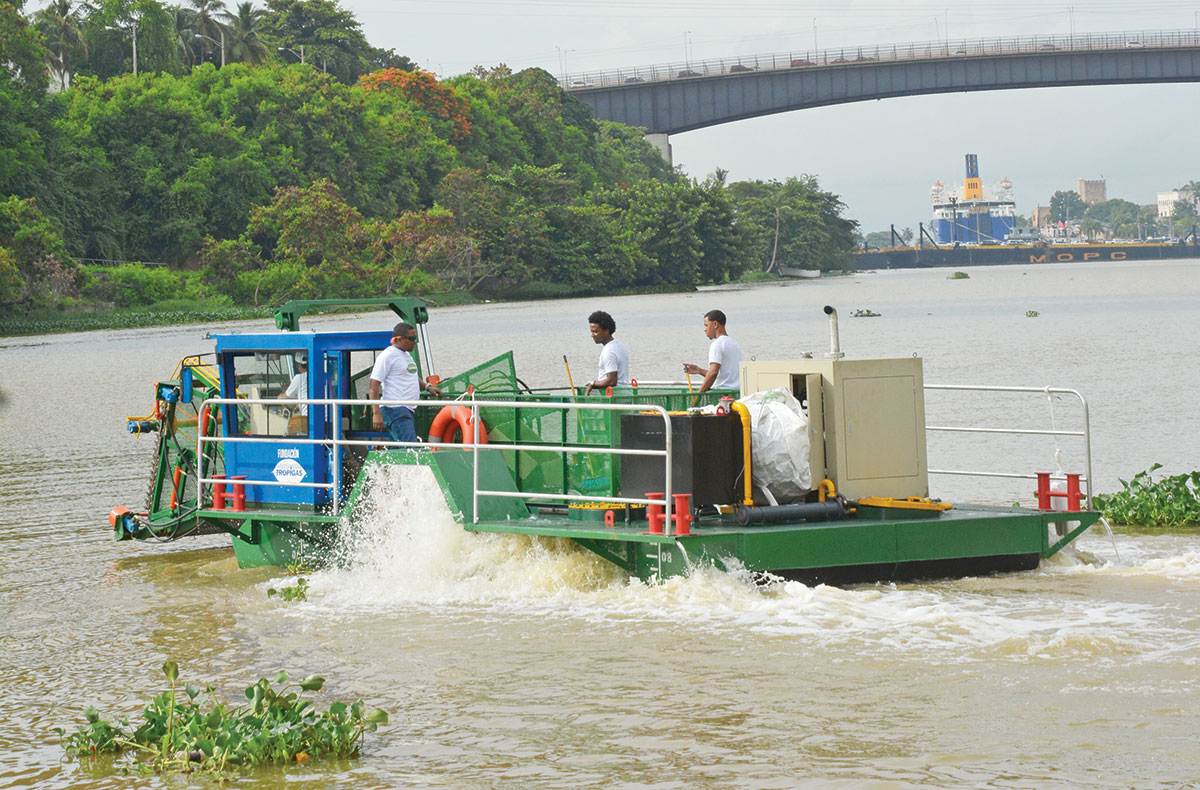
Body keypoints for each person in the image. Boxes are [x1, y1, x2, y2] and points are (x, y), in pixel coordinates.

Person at [369, 322, 442, 444]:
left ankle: (384, 464)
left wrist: (427, 386)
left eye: (415, 338)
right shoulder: (387, 356)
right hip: (395, 409)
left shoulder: (406, 355)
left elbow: (411, 376)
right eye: (411, 338)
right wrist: (376, 413)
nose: (415, 341)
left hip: (406, 409)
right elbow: (373, 386)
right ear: (398, 339)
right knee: (410, 447)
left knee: (397, 450)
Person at [684, 309, 742, 393]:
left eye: (706, 325)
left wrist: (698, 395)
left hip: (721, 394)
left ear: (715, 324)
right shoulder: (734, 343)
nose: (705, 329)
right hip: (735, 393)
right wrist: (699, 370)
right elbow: (722, 376)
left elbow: (713, 373)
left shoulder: (717, 344)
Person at [584, 310, 630, 395]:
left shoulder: (609, 351)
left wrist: (593, 383)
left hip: (614, 398)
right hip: (625, 393)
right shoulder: (619, 345)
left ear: (606, 331)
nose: (592, 335)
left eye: (595, 331)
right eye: (591, 332)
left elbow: (612, 381)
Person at [277, 351, 309, 435]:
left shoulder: (299, 378)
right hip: (329, 420)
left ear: (298, 365)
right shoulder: (325, 376)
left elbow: (285, 397)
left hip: (308, 421)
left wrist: (279, 396)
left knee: (287, 431)